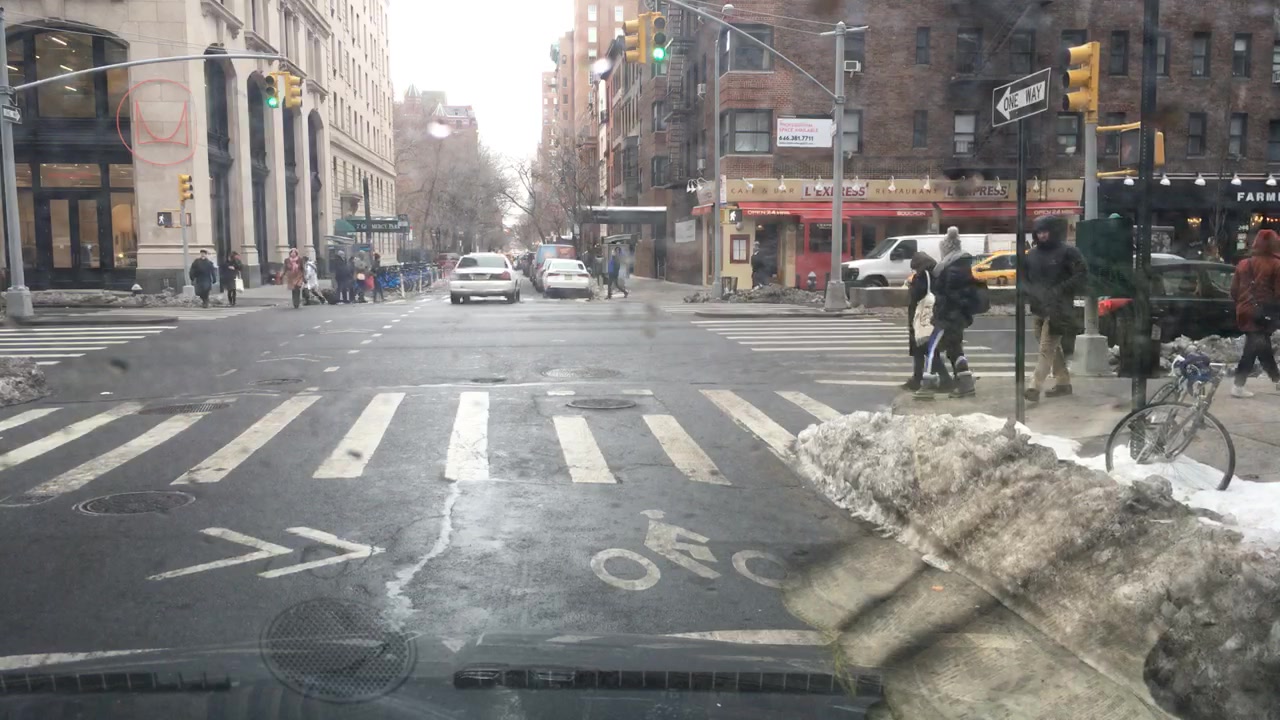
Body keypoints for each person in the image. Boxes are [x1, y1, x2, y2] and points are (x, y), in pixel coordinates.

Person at [1024, 215, 1087, 402]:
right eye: (1039, 232)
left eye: (1045, 231)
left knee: (1046, 348)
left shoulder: (1068, 252)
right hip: (1039, 307)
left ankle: (1034, 387)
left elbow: (1082, 274)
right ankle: (1063, 382)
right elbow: (1026, 279)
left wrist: (1060, 290)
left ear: (1053, 232)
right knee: (1052, 348)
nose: (1042, 235)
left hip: (1059, 308)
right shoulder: (1032, 255)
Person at [916, 227, 979, 400]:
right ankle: (966, 385)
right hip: (959, 316)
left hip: (947, 316)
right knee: (954, 349)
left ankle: (926, 386)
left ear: (947, 250)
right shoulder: (962, 266)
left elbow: (948, 295)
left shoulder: (950, 269)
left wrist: (939, 313)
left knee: (931, 348)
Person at [1229, 229, 1280, 397]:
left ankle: (1277, 379)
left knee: (1261, 345)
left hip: (1244, 310)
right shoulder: (1276, 265)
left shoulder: (1243, 264)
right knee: (1253, 348)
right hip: (1263, 313)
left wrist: (1243, 303)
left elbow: (1233, 291)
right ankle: (1238, 385)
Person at [903, 251, 952, 393]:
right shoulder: (935, 274)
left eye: (915, 268)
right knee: (925, 349)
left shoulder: (923, 276)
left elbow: (917, 294)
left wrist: (911, 285)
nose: (914, 271)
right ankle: (919, 379)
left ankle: (943, 380)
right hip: (929, 317)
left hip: (922, 319)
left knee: (925, 349)